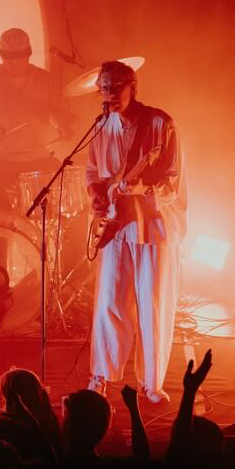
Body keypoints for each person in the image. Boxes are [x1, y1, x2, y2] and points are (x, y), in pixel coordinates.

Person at [85, 60, 185, 403]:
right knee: (109, 302)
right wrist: (95, 194)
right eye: (104, 88)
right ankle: (101, 376)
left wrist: (144, 189)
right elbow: (92, 172)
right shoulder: (101, 126)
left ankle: (151, 383)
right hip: (116, 224)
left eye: (115, 88)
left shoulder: (160, 124)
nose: (109, 94)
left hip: (153, 226)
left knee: (152, 304)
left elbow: (173, 179)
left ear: (133, 87)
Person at [0, 28, 75, 272]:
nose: (14, 62)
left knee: (67, 194)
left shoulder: (46, 81)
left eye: (19, 56)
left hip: (36, 158)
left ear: (29, 53)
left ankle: (59, 273)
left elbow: (69, 119)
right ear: (0, 54)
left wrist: (64, 125)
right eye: (7, 56)